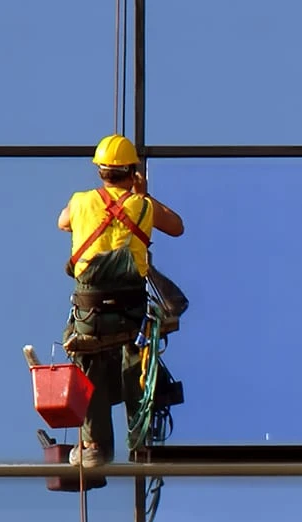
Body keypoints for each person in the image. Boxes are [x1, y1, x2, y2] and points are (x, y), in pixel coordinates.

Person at [55, 134, 186, 467]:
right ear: (133, 171)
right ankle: (140, 442)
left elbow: (62, 222)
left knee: (89, 361)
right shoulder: (143, 205)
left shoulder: (81, 201)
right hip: (130, 312)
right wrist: (140, 196)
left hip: (91, 313)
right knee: (136, 361)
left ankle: (95, 446)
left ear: (100, 171)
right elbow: (177, 226)